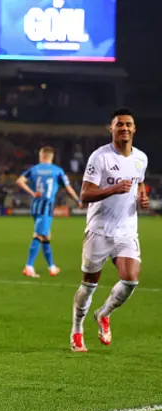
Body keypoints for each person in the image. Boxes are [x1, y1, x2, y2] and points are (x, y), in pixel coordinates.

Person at [70, 108, 148, 352]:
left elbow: (140, 183)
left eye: (128, 124)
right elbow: (85, 194)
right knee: (89, 284)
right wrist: (112, 189)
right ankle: (77, 329)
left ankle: (103, 314)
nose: (124, 128)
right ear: (111, 129)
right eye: (119, 125)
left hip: (126, 230)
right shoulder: (100, 157)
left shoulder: (141, 158)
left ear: (134, 129)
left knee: (130, 280)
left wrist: (141, 198)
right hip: (99, 230)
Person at [16, 146, 83, 278]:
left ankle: (52, 267)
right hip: (46, 206)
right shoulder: (57, 171)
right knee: (39, 235)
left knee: (46, 236)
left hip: (35, 205)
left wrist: (31, 192)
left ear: (41, 156)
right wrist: (78, 200)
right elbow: (68, 188)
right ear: (51, 157)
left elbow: (20, 181)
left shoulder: (34, 169)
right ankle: (29, 266)